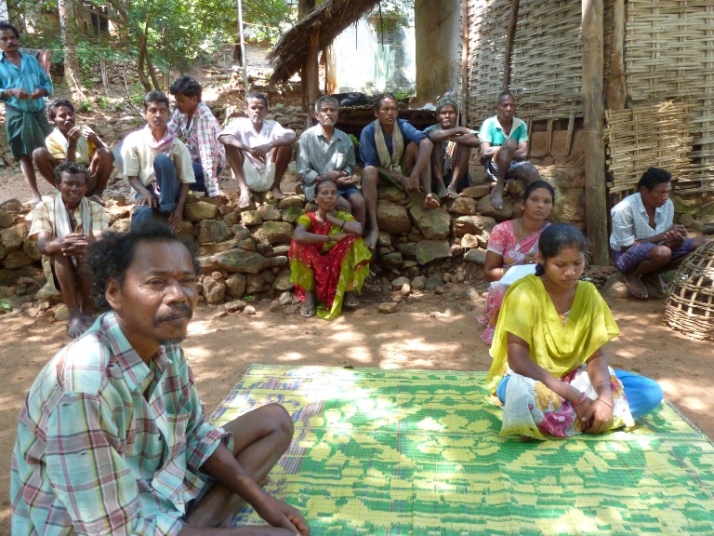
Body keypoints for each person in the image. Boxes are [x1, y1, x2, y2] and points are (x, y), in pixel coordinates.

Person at [11, 221, 311, 536]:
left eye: (188, 281)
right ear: (114, 292)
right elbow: (114, 531)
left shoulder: (165, 348)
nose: (178, 296)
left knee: (275, 421)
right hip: (94, 525)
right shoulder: (83, 389)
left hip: (156, 488)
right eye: (156, 282)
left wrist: (262, 501)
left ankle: (188, 526)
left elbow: (194, 435)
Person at [485, 224, 663, 439]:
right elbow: (518, 361)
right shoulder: (524, 293)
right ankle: (587, 418)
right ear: (541, 259)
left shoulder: (588, 294)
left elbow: (595, 356)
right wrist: (575, 397)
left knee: (650, 392)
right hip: (532, 377)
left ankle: (562, 420)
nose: (571, 272)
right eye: (560, 265)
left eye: (577, 263)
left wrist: (605, 398)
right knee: (520, 396)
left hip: (575, 375)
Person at [29, 162, 107, 338]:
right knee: (58, 250)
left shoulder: (95, 209)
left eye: (79, 184)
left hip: (88, 264)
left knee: (84, 248)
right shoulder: (44, 208)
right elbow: (43, 245)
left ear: (86, 187)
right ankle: (74, 315)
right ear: (58, 185)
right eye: (68, 183)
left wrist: (88, 243)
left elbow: (102, 242)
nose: (74, 188)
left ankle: (87, 309)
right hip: (59, 266)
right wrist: (58, 244)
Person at [610, 167, 710, 299]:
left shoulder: (667, 204)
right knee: (662, 252)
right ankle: (632, 276)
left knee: (704, 243)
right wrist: (662, 236)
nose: (665, 197)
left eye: (668, 192)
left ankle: (651, 272)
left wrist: (676, 241)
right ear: (645, 190)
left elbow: (665, 243)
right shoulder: (623, 209)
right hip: (625, 256)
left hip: (657, 250)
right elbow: (626, 246)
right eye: (660, 192)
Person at [477, 180, 554, 345]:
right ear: (523, 204)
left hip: (540, 290)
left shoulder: (552, 234)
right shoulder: (502, 231)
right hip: (507, 291)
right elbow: (489, 273)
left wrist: (542, 265)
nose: (540, 205)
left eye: (546, 202)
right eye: (535, 200)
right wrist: (519, 266)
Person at [359, 93, 435, 250]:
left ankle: (428, 195)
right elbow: (372, 165)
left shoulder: (402, 125)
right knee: (368, 171)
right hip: (382, 175)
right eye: (385, 109)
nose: (389, 113)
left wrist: (414, 175)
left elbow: (427, 143)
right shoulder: (368, 132)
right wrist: (401, 179)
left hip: (401, 168)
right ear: (376, 113)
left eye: (393, 109)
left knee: (417, 147)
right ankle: (374, 228)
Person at [290, 179, 372, 319]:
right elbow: (298, 235)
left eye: (333, 193)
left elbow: (358, 229)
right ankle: (309, 296)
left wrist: (332, 219)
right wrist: (332, 238)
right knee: (298, 245)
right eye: (325, 193)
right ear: (316, 199)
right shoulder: (308, 218)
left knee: (354, 239)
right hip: (315, 263)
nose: (330, 196)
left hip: (337, 263)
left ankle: (348, 291)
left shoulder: (343, 216)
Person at [122, 91, 195, 232]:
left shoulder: (176, 145)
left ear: (169, 114)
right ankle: (134, 248)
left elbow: (186, 180)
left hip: (170, 192)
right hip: (144, 188)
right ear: (145, 113)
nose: (158, 115)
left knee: (162, 160)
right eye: (153, 110)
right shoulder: (133, 140)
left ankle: (166, 209)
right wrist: (145, 193)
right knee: (143, 213)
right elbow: (131, 176)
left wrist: (179, 210)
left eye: (162, 111)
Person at [0, 21, 53, 205]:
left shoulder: (31, 60)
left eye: (12, 37)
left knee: (51, 148)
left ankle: (61, 185)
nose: (9, 41)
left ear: (18, 39)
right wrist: (10, 92)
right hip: (16, 113)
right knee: (23, 154)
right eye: (4, 39)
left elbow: (47, 84)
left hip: (38, 112)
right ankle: (36, 195)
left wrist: (42, 92)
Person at [219, 91, 296, 207]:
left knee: (286, 144)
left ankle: (276, 186)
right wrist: (248, 149)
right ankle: (244, 189)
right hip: (247, 174)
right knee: (230, 144)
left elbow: (291, 136)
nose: (257, 111)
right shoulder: (239, 124)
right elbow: (223, 137)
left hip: (268, 173)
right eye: (253, 108)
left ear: (266, 111)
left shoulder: (273, 125)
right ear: (246, 110)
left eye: (261, 108)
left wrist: (269, 145)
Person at [296, 95, 365, 224]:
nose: (329, 113)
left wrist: (340, 174)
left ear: (337, 114)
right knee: (343, 205)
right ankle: (342, 241)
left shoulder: (344, 138)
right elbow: (303, 170)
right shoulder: (307, 138)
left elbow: (350, 166)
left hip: (341, 183)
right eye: (324, 110)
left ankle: (356, 240)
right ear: (317, 115)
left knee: (360, 202)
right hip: (316, 184)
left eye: (333, 110)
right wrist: (326, 179)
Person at [33, 98, 115, 202]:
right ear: (53, 120)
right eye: (62, 116)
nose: (68, 118)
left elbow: (110, 156)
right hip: (68, 178)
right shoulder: (52, 139)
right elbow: (67, 169)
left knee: (103, 152)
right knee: (38, 153)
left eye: (70, 114)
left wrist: (96, 140)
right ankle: (65, 193)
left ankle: (98, 193)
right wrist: (72, 145)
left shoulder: (84, 129)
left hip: (89, 177)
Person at [478, 91, 540, 210]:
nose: (509, 108)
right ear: (496, 109)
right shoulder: (489, 124)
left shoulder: (520, 124)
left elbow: (523, 153)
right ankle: (499, 185)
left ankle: (531, 207)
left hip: (514, 163)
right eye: (505, 105)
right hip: (495, 164)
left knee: (532, 172)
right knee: (511, 143)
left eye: (512, 105)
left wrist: (506, 151)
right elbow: (485, 152)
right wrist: (506, 148)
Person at [168, 75, 227, 199]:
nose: (177, 104)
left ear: (194, 99)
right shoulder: (181, 111)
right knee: (164, 165)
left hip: (211, 166)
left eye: (181, 101)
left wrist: (212, 189)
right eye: (176, 100)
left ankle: (176, 204)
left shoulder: (203, 117)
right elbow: (168, 133)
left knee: (171, 171)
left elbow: (208, 155)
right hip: (194, 161)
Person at [423, 96, 480, 199]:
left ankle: (452, 186)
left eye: (451, 112)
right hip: (435, 178)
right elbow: (430, 137)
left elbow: (476, 141)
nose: (447, 116)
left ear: (456, 115)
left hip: (458, 179)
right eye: (443, 113)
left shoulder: (463, 131)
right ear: (438, 116)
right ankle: (440, 185)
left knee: (464, 144)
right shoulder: (432, 129)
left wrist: (450, 137)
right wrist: (457, 131)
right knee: (435, 141)